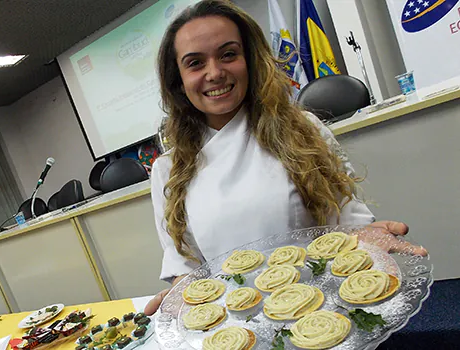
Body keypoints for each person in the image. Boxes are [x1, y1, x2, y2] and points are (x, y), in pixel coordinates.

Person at [144, 0, 425, 315]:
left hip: (327, 309)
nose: (215, 73)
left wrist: (368, 238)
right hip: (238, 324)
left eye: (228, 55)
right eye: (195, 63)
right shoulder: (167, 170)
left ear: (250, 60)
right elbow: (186, 268)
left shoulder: (303, 129)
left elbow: (348, 221)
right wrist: (180, 300)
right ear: (178, 81)